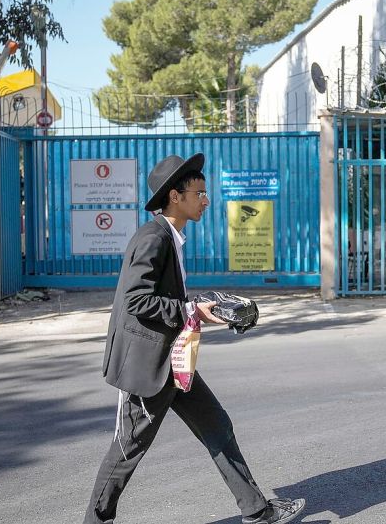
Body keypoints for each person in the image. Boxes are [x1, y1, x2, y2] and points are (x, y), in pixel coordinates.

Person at [83, 153, 306, 524]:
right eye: (199, 193)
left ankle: (257, 510)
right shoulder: (153, 238)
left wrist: (207, 308)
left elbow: (170, 300)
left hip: (173, 359)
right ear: (175, 196)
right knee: (127, 450)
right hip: (148, 365)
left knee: (216, 425)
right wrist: (192, 311)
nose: (206, 200)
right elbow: (136, 300)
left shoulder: (169, 237)